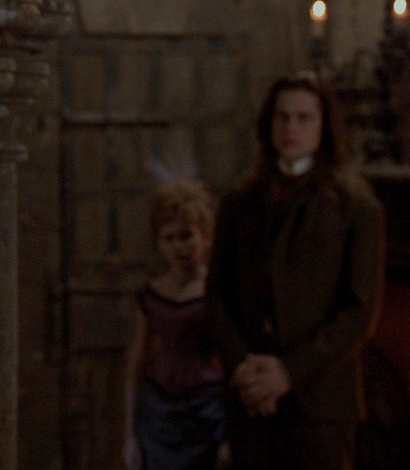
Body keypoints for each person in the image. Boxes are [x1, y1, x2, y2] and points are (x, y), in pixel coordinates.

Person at [205, 71, 385, 470]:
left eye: (304, 118)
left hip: (319, 402)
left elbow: (359, 312)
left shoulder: (356, 208)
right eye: (282, 117)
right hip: (250, 397)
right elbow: (216, 294)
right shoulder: (239, 202)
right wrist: (243, 368)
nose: (291, 128)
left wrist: (288, 372)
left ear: (324, 126)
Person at [123, 181, 226, 470]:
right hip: (159, 417)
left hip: (206, 414)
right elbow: (137, 362)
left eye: (186, 236)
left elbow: (231, 359)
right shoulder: (151, 295)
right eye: (168, 238)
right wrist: (129, 436)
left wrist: (231, 434)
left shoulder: (218, 293)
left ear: (205, 237)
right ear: (158, 243)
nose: (179, 247)